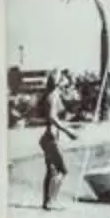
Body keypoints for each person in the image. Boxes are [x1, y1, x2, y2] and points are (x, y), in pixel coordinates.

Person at [37, 73, 77, 209]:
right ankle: (52, 201)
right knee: (62, 170)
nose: (66, 82)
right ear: (58, 82)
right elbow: (52, 117)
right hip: (51, 137)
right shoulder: (53, 96)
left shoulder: (49, 95)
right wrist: (68, 131)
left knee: (51, 170)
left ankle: (47, 201)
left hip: (47, 137)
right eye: (63, 79)